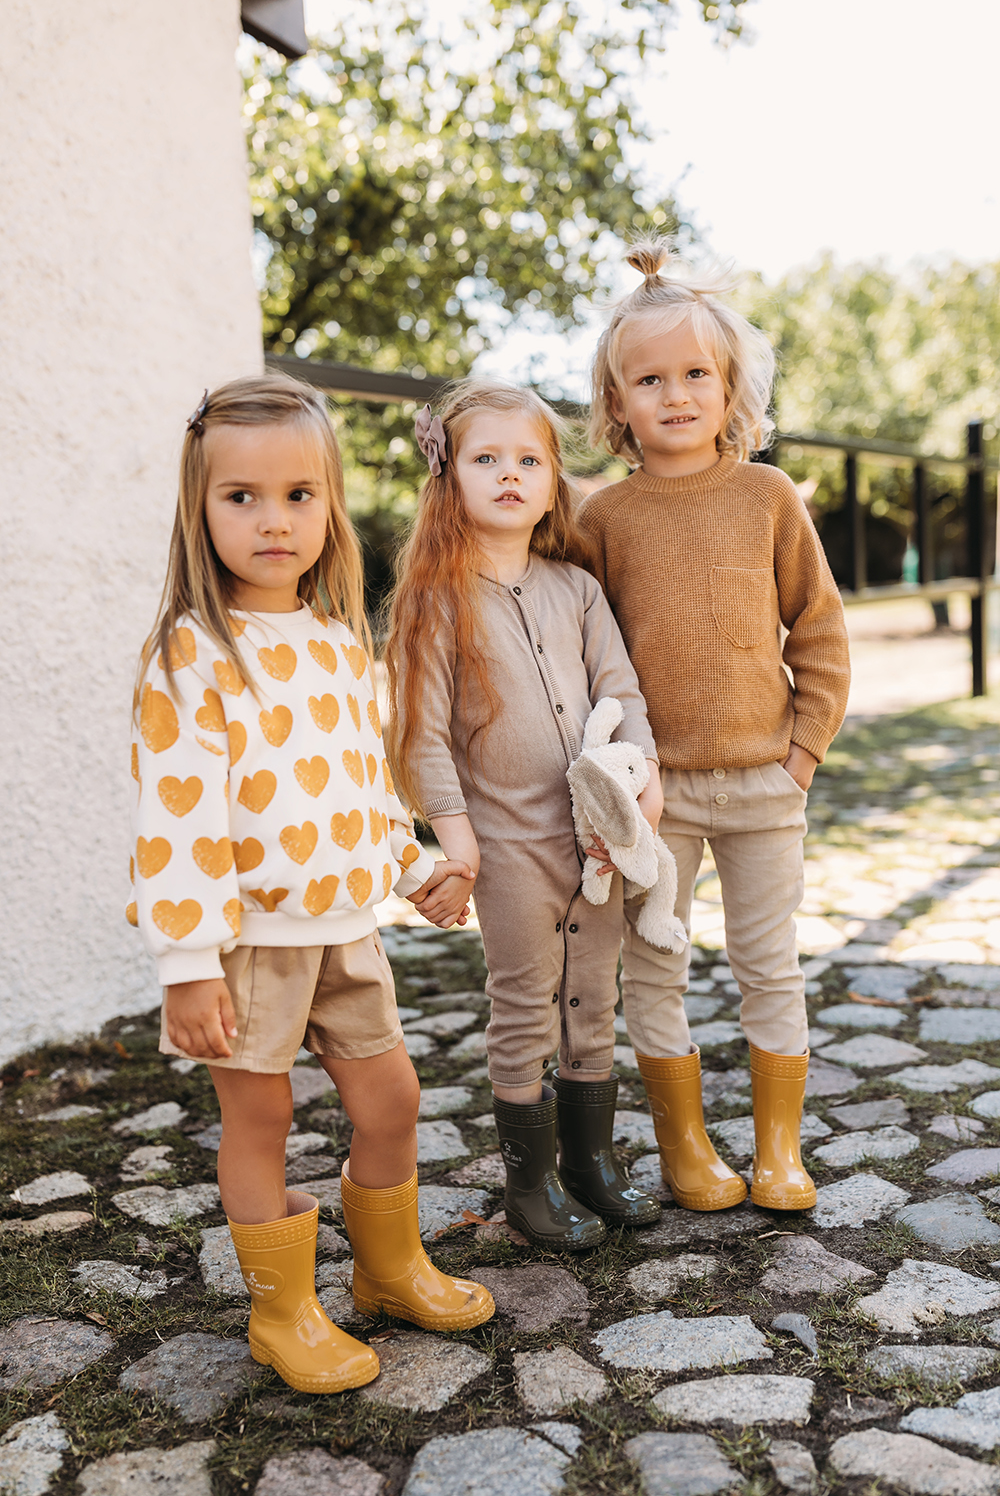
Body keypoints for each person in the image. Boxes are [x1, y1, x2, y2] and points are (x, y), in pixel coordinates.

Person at [128, 374, 494, 1395]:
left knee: (393, 1098)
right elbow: (177, 821)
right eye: (241, 497)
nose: (273, 521)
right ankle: (282, 1313)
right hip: (248, 942)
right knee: (263, 1121)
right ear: (200, 510)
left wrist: (412, 865)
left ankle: (388, 1270)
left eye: (298, 495)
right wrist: (187, 962)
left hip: (346, 931)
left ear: (329, 504)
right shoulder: (193, 656)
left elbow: (356, 786)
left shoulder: (338, 640)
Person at [579, 240, 851, 1212]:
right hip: (654, 796)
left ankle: (779, 1150)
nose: (676, 394)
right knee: (654, 969)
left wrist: (801, 755)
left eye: (696, 373)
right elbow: (583, 652)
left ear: (730, 385)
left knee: (768, 965)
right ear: (617, 402)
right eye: (649, 379)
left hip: (764, 784)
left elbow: (819, 628)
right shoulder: (603, 519)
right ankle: (686, 1151)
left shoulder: (766, 497)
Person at [384, 379, 663, 1252]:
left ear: (552, 482)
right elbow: (422, 736)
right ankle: (530, 1183)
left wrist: (645, 776)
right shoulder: (435, 599)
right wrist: (457, 840)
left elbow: (620, 688)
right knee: (524, 1004)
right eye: (486, 458)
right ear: (448, 476)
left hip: (597, 836)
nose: (510, 474)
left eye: (529, 460)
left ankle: (592, 1162)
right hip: (506, 846)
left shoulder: (576, 589)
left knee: (593, 993)